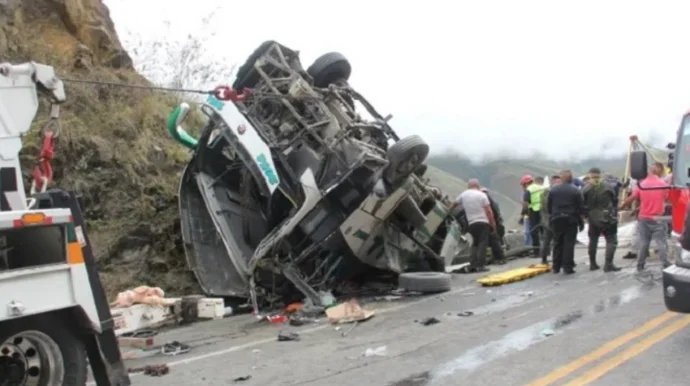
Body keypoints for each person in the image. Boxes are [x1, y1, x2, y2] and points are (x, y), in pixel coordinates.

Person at [619, 162, 670, 271]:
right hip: (658, 218)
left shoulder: (641, 185)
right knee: (661, 242)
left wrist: (621, 207)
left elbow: (631, 199)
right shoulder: (663, 184)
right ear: (658, 172)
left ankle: (640, 265)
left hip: (644, 218)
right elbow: (665, 198)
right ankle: (665, 263)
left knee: (644, 242)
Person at [450, 179, 497, 272]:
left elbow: (454, 204)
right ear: (478, 186)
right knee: (482, 243)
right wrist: (493, 223)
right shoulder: (482, 195)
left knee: (474, 244)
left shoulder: (464, 194)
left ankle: (473, 264)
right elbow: (489, 211)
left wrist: (448, 212)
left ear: (469, 186)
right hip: (483, 222)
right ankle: (481, 265)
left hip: (471, 223)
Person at [582, 168, 622, 272]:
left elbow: (582, 203)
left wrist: (586, 214)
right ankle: (608, 264)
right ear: (600, 175)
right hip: (606, 217)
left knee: (593, 240)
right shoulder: (608, 186)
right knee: (611, 240)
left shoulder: (585, 188)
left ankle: (593, 264)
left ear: (590, 175)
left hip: (592, 218)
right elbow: (614, 200)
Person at [546, 170, 585, 274]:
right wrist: (581, 221)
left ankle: (556, 267)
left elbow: (549, 206)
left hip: (556, 219)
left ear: (561, 178)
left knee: (557, 242)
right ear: (571, 178)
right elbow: (581, 207)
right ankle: (567, 267)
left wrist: (553, 215)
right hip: (571, 219)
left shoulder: (553, 190)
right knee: (569, 243)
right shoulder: (576, 190)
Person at [481, 187, 507, 264]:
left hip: (491, 224)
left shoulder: (485, 203)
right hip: (493, 224)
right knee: (497, 241)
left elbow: (495, 214)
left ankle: (498, 257)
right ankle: (499, 257)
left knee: (494, 241)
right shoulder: (492, 202)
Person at [539, 174, 561, 264]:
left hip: (545, 219)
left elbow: (541, 207)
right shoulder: (556, 193)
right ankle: (557, 260)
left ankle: (544, 259)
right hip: (554, 219)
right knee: (557, 241)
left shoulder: (543, 193)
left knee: (546, 240)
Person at [523, 175, 546, 257]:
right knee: (544, 230)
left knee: (534, 231)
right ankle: (547, 250)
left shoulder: (529, 189)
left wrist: (524, 212)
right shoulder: (541, 187)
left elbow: (525, 202)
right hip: (543, 210)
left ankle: (537, 252)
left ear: (525, 184)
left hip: (534, 211)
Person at [519, 176, 533, 246]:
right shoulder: (525, 192)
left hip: (528, 213)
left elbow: (525, 205)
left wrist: (522, 216)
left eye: (523, 185)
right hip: (533, 213)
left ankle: (529, 246)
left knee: (528, 231)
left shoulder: (526, 192)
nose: (522, 187)